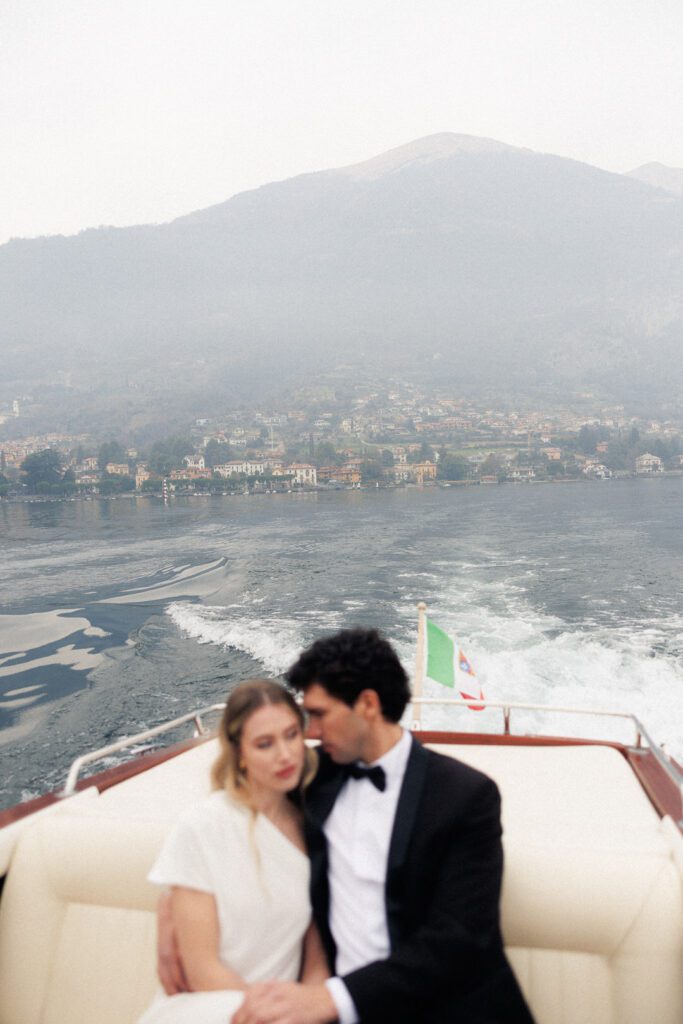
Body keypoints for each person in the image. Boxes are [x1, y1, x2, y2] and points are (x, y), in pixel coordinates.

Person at [232, 627, 535, 1024]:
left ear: (368, 704)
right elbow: (234, 809)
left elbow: (458, 942)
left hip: (445, 1009)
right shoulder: (312, 778)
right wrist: (175, 901)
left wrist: (330, 999)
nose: (311, 733)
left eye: (319, 714)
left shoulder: (466, 796)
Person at [139, 678, 328, 1024]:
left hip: (282, 1012)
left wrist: (306, 1008)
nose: (284, 755)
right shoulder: (202, 827)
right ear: (240, 754)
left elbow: (318, 955)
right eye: (264, 744)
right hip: (208, 1008)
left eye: (291, 735)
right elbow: (202, 971)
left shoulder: (316, 825)